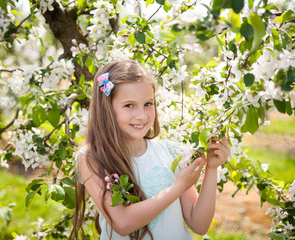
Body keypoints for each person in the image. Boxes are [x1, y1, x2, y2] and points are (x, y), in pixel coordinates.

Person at [71, 60, 230, 240]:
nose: (142, 115)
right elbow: (122, 223)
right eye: (129, 105)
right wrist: (178, 187)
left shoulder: (170, 152)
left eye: (148, 104)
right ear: (107, 109)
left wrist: (211, 169)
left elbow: (199, 224)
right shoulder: (92, 158)